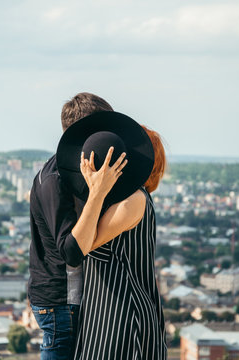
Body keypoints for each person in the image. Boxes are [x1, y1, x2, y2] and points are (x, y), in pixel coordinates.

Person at [56, 114, 167, 359]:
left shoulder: (134, 201)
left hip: (123, 315)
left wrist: (96, 191)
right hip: (102, 311)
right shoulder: (120, 200)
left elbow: (78, 248)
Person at [28, 93, 127, 360]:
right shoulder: (54, 180)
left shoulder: (79, 173)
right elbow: (71, 251)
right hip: (62, 303)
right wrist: (97, 193)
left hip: (74, 301)